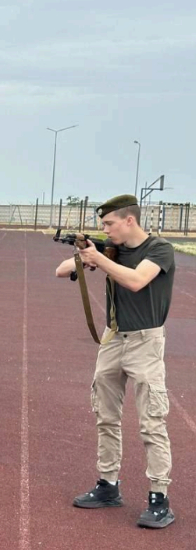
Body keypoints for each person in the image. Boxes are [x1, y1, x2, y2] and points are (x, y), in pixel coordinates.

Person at [55, 194, 176, 529]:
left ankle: (159, 498)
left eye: (108, 224)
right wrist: (86, 257)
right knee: (105, 417)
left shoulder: (159, 250)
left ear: (129, 220)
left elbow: (137, 281)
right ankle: (108, 484)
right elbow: (60, 270)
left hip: (145, 342)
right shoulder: (111, 250)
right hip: (112, 339)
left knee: (152, 422)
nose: (104, 229)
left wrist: (101, 259)